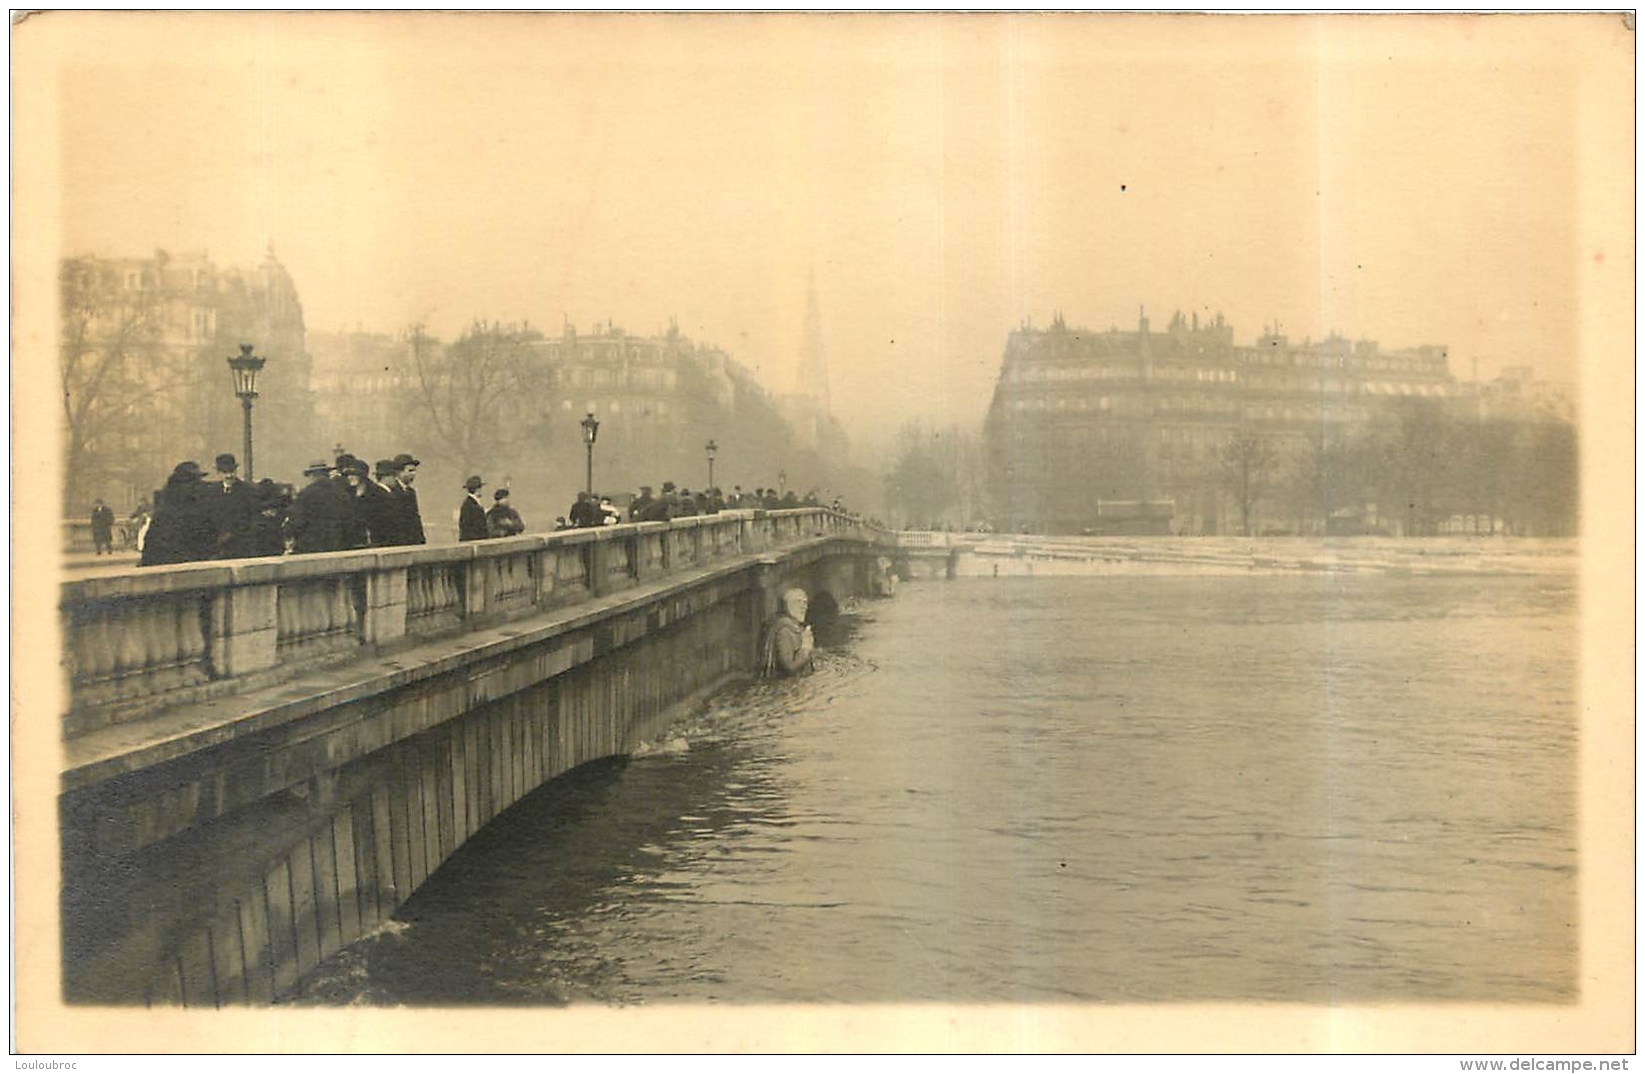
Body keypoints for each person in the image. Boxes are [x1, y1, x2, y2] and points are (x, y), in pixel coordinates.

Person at [141, 461, 211, 566]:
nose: (196, 486)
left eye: (197, 481)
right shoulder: (165, 515)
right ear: (178, 485)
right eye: (191, 482)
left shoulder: (204, 510)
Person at [206, 453, 261, 559]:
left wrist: (235, 535)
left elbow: (254, 519)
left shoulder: (248, 491)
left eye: (231, 471)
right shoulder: (211, 492)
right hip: (218, 549)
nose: (229, 476)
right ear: (218, 472)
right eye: (224, 472)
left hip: (242, 548)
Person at [290, 459, 349, 553]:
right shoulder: (341, 492)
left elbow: (297, 522)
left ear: (312, 475)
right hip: (338, 544)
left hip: (312, 545)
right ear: (326, 473)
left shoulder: (305, 494)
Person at [761, 587, 815, 677]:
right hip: (788, 686)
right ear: (788, 606)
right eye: (798, 602)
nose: (804, 607)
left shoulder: (797, 628)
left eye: (805, 602)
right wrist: (805, 648)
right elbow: (789, 667)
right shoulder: (784, 632)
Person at [388, 453, 426, 545]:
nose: (414, 474)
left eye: (414, 471)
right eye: (410, 471)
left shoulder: (411, 492)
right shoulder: (391, 491)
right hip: (398, 541)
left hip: (412, 541)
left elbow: (415, 517)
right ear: (399, 472)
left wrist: (421, 540)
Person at [458, 475, 488, 540]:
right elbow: (466, 527)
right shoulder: (468, 505)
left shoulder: (472, 503)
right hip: (473, 541)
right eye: (480, 488)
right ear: (477, 489)